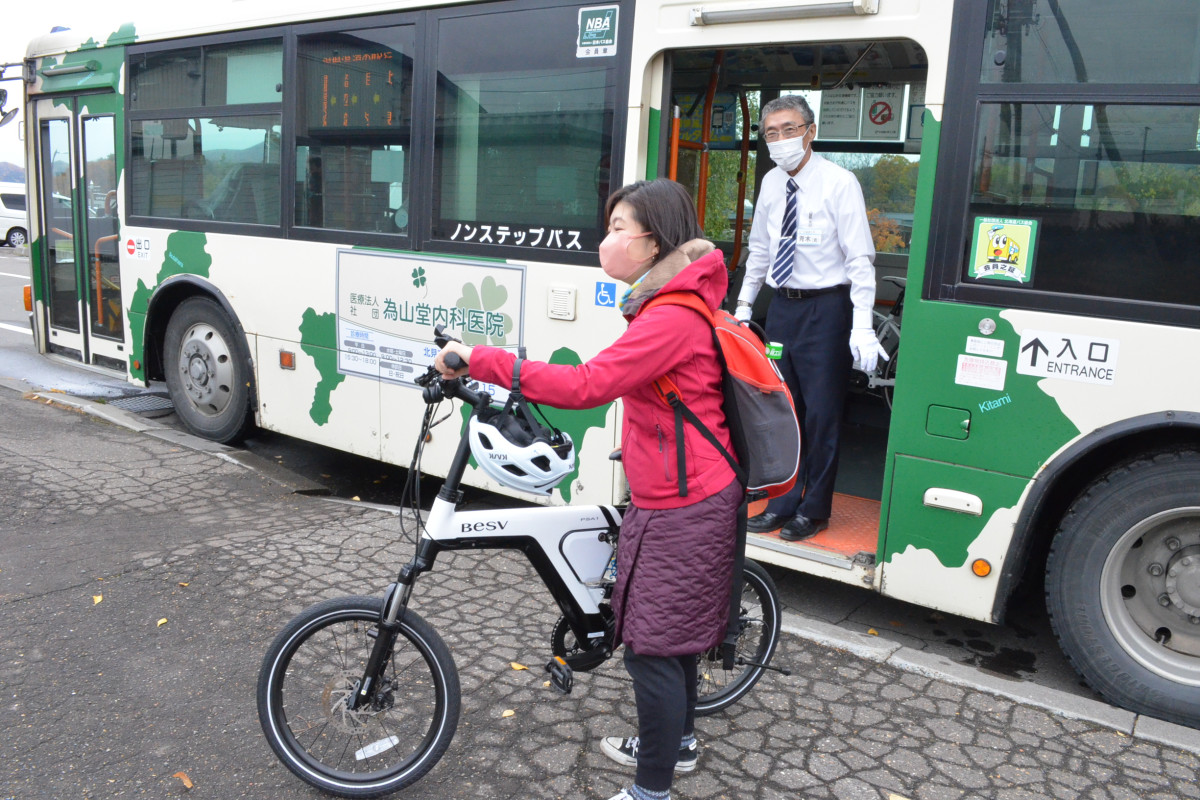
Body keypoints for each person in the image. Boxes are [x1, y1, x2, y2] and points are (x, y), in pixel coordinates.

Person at [436, 179, 740, 800]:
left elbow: (586, 385)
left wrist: (481, 359)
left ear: (653, 241)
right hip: (677, 494)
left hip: (689, 503)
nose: (609, 240)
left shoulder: (674, 316)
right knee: (670, 637)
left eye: (619, 227)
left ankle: (651, 789)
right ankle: (676, 743)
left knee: (653, 648)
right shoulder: (666, 304)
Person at [734, 95, 885, 542]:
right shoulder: (770, 184)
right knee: (782, 409)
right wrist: (743, 306)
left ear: (811, 131)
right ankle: (781, 502)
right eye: (771, 133)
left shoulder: (840, 183)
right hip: (782, 308)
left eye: (789, 129)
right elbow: (760, 250)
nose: (781, 140)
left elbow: (860, 259)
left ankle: (814, 508)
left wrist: (861, 324)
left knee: (820, 414)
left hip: (827, 310)